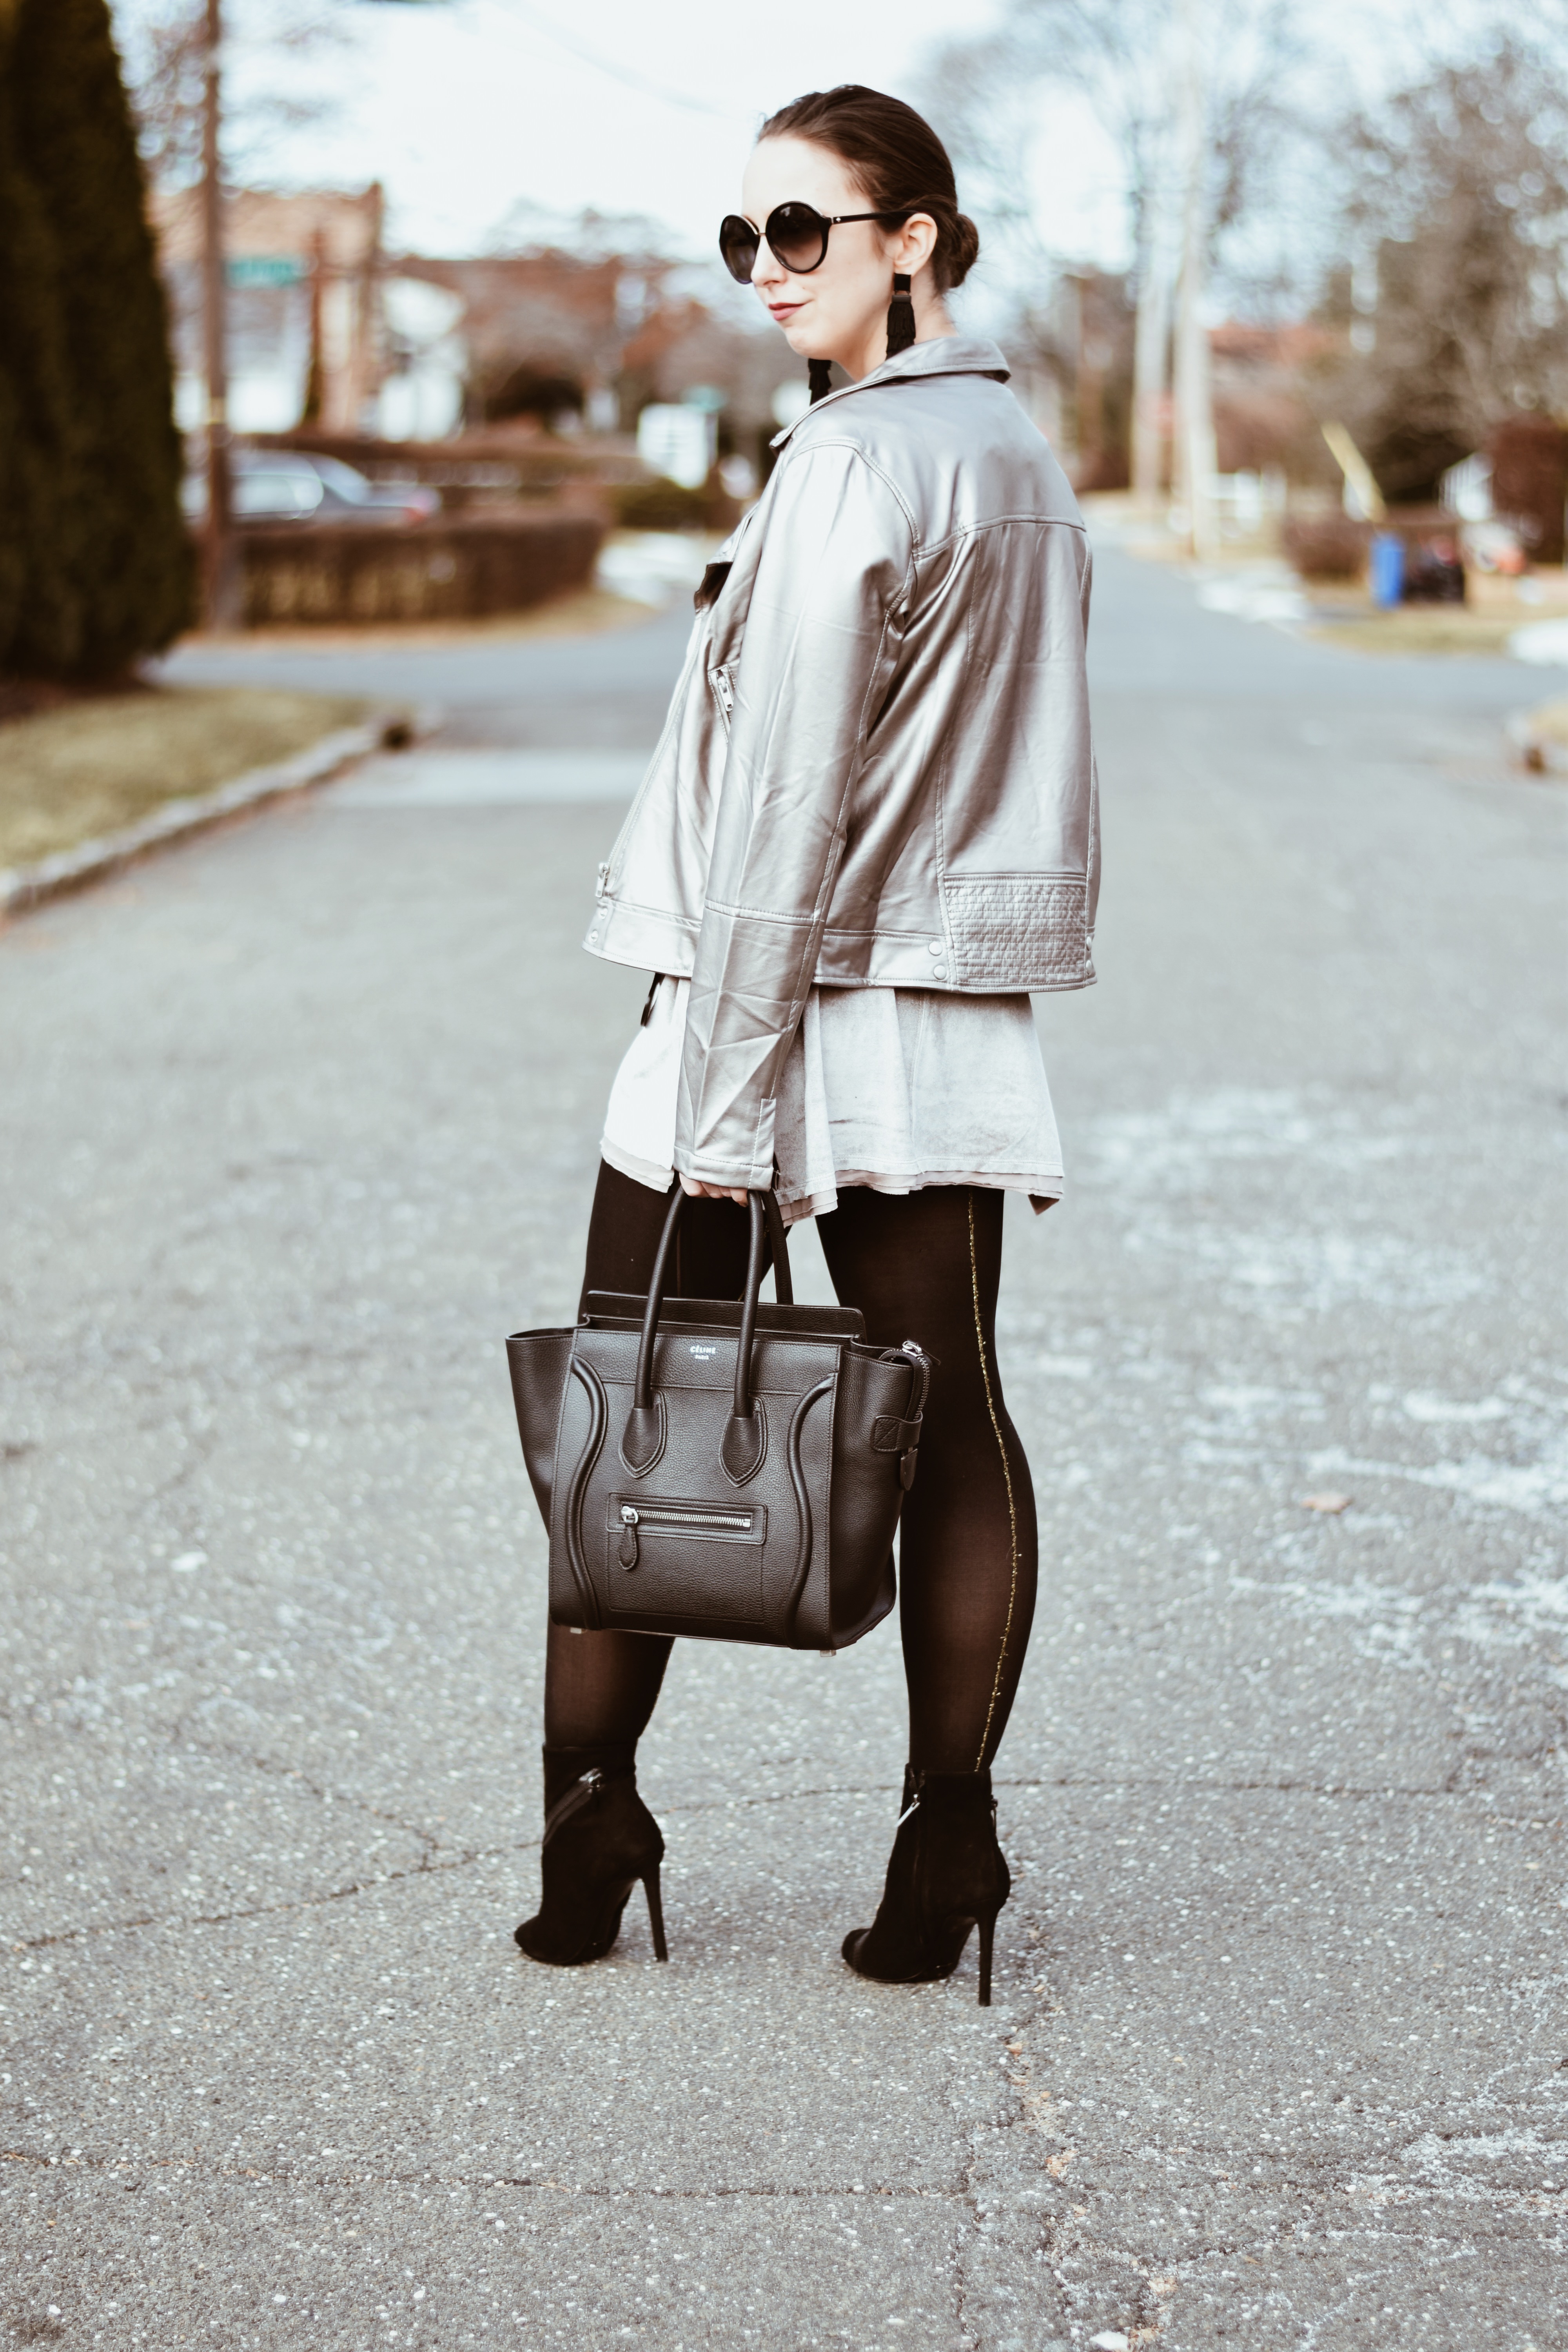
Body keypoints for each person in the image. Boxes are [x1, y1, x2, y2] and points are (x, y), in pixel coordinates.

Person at [515, 84, 1099, 2001]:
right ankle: (951, 1843)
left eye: (804, 231)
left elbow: (782, 815)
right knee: (955, 1433)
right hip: (939, 1022)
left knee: (629, 1407)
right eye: (742, 238)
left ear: (916, 237)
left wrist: (726, 1099)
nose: (767, 271)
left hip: (774, 1010)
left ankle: (589, 1816)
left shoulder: (853, 467)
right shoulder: (1012, 449)